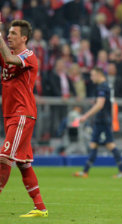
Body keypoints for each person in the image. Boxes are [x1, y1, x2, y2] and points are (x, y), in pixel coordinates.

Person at [0, 19, 48, 217]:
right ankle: (40, 208)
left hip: (22, 114)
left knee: (4, 157)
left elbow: (11, 61)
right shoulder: (7, 54)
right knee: (23, 163)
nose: (9, 36)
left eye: (12, 33)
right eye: (8, 33)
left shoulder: (28, 55)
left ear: (24, 38)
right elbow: (6, 56)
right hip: (11, 114)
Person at [74, 67, 122, 178]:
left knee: (109, 145)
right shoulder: (107, 86)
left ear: (99, 75)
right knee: (94, 144)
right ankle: (85, 172)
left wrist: (85, 116)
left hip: (103, 120)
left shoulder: (102, 87)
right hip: (103, 119)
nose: (91, 77)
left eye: (93, 75)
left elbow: (100, 105)